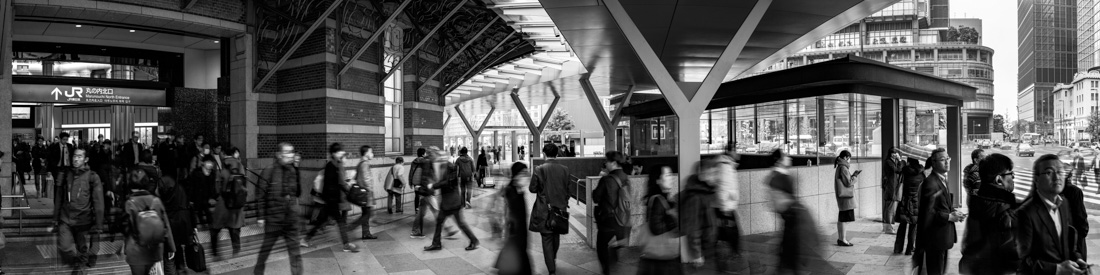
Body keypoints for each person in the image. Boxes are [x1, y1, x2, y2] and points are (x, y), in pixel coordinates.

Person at [767, 149, 839, 275]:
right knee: (792, 253)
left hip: (790, 219)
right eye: (785, 156)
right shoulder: (781, 177)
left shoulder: (777, 176)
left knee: (788, 254)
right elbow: (783, 202)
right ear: (779, 160)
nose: (789, 157)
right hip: (793, 219)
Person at [1017, 154, 1089, 275]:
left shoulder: (1063, 203)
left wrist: (1076, 258)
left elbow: (1066, 242)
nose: (1057, 177)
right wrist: (1057, 269)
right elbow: (1020, 261)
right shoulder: (1025, 213)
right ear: (1037, 179)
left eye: (1060, 172)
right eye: (1049, 172)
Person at [959, 153, 1020, 274]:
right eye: (1011, 174)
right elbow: (1014, 255)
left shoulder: (977, 202)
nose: (1013, 178)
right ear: (999, 179)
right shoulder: (1007, 210)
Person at [254, 143, 305, 275]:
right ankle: (258, 271)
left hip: (290, 220)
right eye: (287, 152)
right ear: (279, 154)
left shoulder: (293, 170)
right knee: (265, 250)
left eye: (291, 152)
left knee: (295, 253)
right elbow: (260, 195)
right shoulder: (268, 170)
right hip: (274, 219)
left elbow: (295, 193)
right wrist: (261, 217)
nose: (290, 155)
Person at [914, 148, 966, 275]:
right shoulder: (930, 183)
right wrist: (949, 217)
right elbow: (928, 213)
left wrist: (954, 212)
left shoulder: (942, 179)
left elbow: (942, 205)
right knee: (935, 270)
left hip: (942, 236)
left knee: (940, 269)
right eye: (943, 160)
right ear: (934, 163)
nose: (947, 162)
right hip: (934, 237)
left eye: (948, 158)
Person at [52, 148, 105, 269]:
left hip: (83, 219)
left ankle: (80, 267)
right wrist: (55, 217)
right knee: (65, 246)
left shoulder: (93, 177)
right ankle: (77, 262)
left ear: (86, 159)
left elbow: (98, 201)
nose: (76, 159)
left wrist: (99, 223)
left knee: (82, 247)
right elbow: (59, 197)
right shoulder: (66, 174)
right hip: (66, 217)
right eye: (75, 156)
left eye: (80, 156)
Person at [302, 143, 359, 252]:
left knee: (322, 221)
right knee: (340, 222)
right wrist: (349, 191)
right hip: (332, 200)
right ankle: (346, 244)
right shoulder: (332, 165)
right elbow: (339, 183)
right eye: (339, 152)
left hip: (331, 199)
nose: (341, 153)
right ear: (333, 153)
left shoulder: (334, 164)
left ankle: (306, 239)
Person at [423, 149, 480, 251]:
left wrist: (433, 185)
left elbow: (447, 183)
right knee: (440, 221)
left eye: (441, 156)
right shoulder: (441, 166)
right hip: (446, 201)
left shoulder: (451, 167)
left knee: (461, 223)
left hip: (452, 201)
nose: (440, 158)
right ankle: (436, 243)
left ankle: (474, 240)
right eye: (439, 156)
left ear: (446, 157)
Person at [529, 143, 571, 275]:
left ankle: (551, 269)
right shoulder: (565, 169)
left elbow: (532, 189)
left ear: (544, 154)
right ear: (557, 154)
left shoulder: (539, 169)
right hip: (560, 210)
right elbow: (568, 191)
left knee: (546, 238)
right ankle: (552, 259)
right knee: (556, 235)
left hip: (544, 210)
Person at [123, 170, 175, 275]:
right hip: (154, 250)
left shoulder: (129, 203)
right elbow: (166, 225)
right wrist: (171, 247)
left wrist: (124, 248)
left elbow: (126, 228)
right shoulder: (156, 201)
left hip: (135, 252)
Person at [637, 166, 680, 275]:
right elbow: (655, 228)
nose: (671, 178)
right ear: (658, 180)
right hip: (660, 258)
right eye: (667, 175)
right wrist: (672, 223)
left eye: (671, 174)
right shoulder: (658, 200)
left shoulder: (661, 199)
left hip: (657, 258)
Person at [592, 151, 630, 274]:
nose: (605, 163)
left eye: (607, 161)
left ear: (613, 163)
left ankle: (606, 270)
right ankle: (614, 262)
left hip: (608, 219)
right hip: (622, 217)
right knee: (615, 244)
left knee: (601, 246)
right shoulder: (626, 177)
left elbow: (596, 198)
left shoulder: (606, 179)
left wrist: (594, 192)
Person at [495, 162, 533, 275]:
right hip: (514, 233)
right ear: (516, 175)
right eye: (523, 173)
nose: (526, 176)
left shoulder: (518, 190)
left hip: (520, 233)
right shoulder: (510, 191)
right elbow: (504, 212)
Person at [211, 147, 246, 258]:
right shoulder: (239, 164)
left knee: (215, 227)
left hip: (224, 200)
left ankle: (215, 252)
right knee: (235, 227)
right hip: (237, 201)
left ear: (224, 153)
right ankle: (236, 250)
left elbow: (217, 184)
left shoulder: (221, 164)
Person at [894, 157, 923, 255]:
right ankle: (909, 249)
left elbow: (898, 174)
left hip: (905, 201)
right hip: (915, 202)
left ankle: (898, 248)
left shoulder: (905, 171)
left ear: (909, 162)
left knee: (902, 225)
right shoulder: (921, 173)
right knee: (913, 226)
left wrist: (900, 162)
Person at [350, 145, 379, 240]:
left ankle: (366, 233)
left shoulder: (361, 163)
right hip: (366, 193)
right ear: (366, 153)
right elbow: (366, 179)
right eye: (371, 152)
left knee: (366, 213)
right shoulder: (364, 164)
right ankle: (352, 226)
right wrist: (370, 190)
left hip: (364, 192)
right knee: (368, 213)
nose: (372, 154)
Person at [1063, 167, 1090, 261]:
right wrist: (1083, 231)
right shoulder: (1075, 191)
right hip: (1076, 234)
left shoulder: (1054, 190)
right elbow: (1080, 215)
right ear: (1070, 176)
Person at [833, 150, 858, 246]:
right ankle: (842, 239)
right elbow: (848, 183)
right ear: (845, 158)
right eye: (849, 158)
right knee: (844, 219)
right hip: (846, 198)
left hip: (843, 197)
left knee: (842, 218)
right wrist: (855, 176)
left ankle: (841, 239)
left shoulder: (840, 167)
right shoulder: (843, 167)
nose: (850, 160)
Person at [187, 157, 218, 227]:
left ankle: (209, 225)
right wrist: (190, 198)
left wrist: (214, 195)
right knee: (201, 211)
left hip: (206, 196)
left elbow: (212, 186)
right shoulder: (196, 173)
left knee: (205, 211)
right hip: (198, 196)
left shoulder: (212, 173)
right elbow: (192, 186)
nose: (210, 167)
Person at [47, 132, 75, 199]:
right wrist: (49, 170)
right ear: (60, 139)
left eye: (66, 139)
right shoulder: (54, 147)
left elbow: (72, 157)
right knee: (58, 186)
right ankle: (57, 200)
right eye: (64, 139)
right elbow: (50, 159)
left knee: (66, 185)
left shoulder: (70, 146)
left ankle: (64, 201)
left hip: (67, 168)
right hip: (57, 168)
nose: (65, 141)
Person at [883, 148, 904, 234]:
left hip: (894, 186)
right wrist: (899, 161)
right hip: (891, 187)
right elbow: (898, 170)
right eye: (893, 153)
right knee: (890, 208)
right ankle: (888, 228)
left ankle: (888, 227)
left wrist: (899, 161)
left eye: (896, 153)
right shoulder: (888, 162)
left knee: (891, 208)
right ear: (890, 154)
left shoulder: (893, 161)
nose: (894, 154)